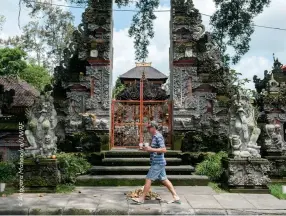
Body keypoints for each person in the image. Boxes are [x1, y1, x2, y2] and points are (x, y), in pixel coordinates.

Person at [132, 121, 181, 204]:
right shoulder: (154, 136)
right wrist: (146, 148)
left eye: (149, 127)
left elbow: (164, 149)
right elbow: (155, 149)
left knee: (148, 179)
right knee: (164, 180)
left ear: (154, 128)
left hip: (157, 163)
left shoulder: (158, 136)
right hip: (158, 162)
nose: (147, 129)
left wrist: (151, 149)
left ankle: (141, 199)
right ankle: (176, 197)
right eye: (147, 127)